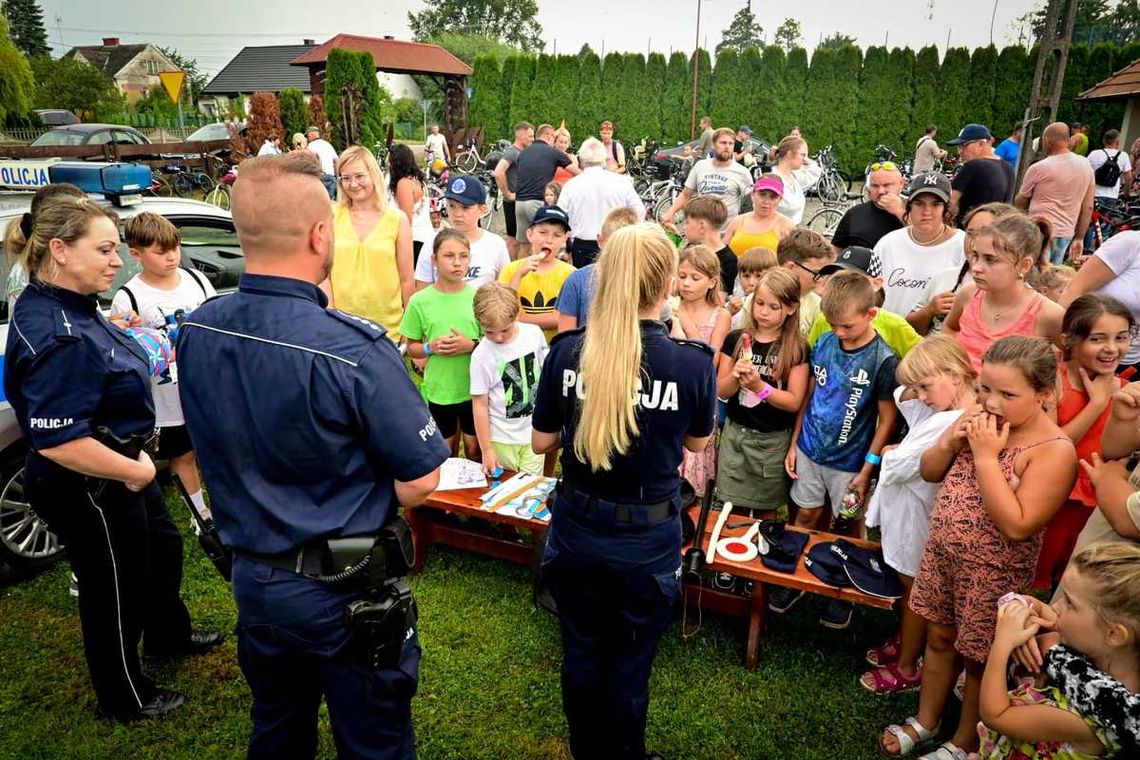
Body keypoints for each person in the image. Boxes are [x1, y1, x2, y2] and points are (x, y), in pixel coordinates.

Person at [177, 153, 447, 757]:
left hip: (254, 577)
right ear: (320, 233)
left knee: (277, 726)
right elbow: (424, 475)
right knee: (372, 741)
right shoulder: (354, 347)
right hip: (343, 588)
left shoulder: (199, 328)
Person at [5, 195, 222, 720]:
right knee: (113, 587)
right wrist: (136, 470)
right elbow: (59, 439)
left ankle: (168, 635)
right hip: (92, 481)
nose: (114, 261)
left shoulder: (75, 303)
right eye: (103, 250)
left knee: (163, 552)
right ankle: (124, 695)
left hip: (122, 467)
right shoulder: (58, 334)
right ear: (58, 249)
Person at [531, 222, 717, 760]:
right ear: (666, 286)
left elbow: (543, 437)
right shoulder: (689, 361)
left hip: (578, 526)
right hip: (645, 536)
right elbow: (698, 441)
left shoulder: (567, 352)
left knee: (582, 653)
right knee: (630, 663)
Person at [881, 336, 1076, 759]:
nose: (992, 402)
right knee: (938, 636)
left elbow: (1018, 525)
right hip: (943, 554)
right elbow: (930, 471)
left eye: (1008, 394)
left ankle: (965, 741)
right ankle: (927, 720)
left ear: (1043, 394)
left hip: (993, 571)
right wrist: (950, 443)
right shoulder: (975, 417)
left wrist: (986, 458)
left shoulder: (1053, 451)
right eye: (986, 388)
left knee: (978, 659)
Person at [776, 270, 900, 629]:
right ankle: (794, 576)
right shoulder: (826, 343)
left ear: (870, 314)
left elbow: (887, 420)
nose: (839, 332)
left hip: (850, 463)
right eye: (833, 325)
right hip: (811, 451)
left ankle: (843, 586)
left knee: (848, 524)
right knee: (805, 517)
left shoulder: (883, 360)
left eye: (847, 326)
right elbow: (811, 394)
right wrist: (795, 441)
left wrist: (867, 469)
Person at [861, 336, 978, 698]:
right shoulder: (943, 410)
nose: (921, 396)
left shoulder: (955, 421)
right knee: (907, 584)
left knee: (916, 592)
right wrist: (918, 382)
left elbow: (902, 465)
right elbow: (902, 398)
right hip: (911, 514)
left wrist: (894, 453)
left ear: (956, 376)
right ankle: (905, 640)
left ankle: (907, 666)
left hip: (922, 520)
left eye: (926, 387)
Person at [975, 543, 1139, 758]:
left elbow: (995, 715)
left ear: (1114, 634)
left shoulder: (1089, 715)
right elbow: (1038, 608)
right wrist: (1016, 602)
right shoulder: (1102, 652)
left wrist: (1002, 644)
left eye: (1070, 603)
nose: (1057, 606)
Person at [110, 212, 216, 529]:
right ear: (136, 253)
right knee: (179, 452)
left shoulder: (197, 280)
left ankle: (207, 508)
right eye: (160, 251)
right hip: (164, 395)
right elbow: (124, 354)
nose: (171, 257)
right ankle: (198, 514)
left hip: (202, 386)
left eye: (175, 248)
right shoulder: (128, 297)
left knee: (199, 450)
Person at [1034, 294, 1132, 591]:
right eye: (1098, 339)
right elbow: (1050, 445)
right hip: (1054, 501)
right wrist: (1098, 402)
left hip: (1100, 504)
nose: (1111, 349)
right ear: (1069, 341)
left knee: (1078, 580)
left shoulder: (1128, 391)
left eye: (1122, 337)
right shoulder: (1052, 383)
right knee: (1036, 579)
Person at [715, 267, 809, 519]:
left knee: (766, 509)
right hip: (736, 436)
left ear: (790, 308)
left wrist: (760, 387)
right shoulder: (736, 339)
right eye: (759, 303)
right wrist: (735, 375)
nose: (764, 312)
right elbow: (721, 391)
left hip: (771, 442)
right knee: (732, 509)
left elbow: (794, 401)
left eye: (773, 306)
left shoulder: (796, 348)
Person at [944, 214, 1065, 371]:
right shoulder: (968, 294)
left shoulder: (1048, 314)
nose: (976, 267)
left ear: (1024, 265)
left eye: (990, 260)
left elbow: (1075, 359)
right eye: (976, 256)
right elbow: (950, 327)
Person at [402, 229, 483, 460]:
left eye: (463, 256)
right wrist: (431, 348)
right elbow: (412, 346)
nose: (457, 263)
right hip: (440, 390)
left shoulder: (477, 297)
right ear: (434, 260)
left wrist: (472, 345)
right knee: (444, 453)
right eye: (449, 256)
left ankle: (475, 495)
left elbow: (492, 343)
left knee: (474, 449)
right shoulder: (420, 301)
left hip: (474, 389)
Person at [328, 145, 414, 342]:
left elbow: (407, 279)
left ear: (373, 174)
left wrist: (409, 329)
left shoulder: (397, 220)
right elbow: (324, 274)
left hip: (387, 328)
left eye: (359, 176)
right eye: (346, 178)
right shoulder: (331, 215)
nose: (353, 184)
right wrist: (330, 315)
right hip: (342, 326)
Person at [470, 281, 549, 477]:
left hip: (533, 432)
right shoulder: (481, 356)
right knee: (503, 492)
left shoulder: (533, 334)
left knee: (531, 490)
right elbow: (479, 404)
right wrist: (486, 449)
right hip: (501, 438)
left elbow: (545, 373)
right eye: (489, 332)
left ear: (517, 315)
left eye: (505, 330)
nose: (497, 338)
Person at [910, 202, 1019, 336]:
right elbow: (909, 330)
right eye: (970, 233)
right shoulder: (946, 277)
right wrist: (929, 310)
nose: (973, 242)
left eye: (985, 234)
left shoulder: (1022, 297)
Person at [672, 245, 730, 497]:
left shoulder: (721, 315)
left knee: (694, 453)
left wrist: (684, 321)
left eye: (695, 278)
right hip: (670, 390)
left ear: (711, 281)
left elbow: (710, 358)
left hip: (698, 394)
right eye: (681, 276)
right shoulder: (667, 305)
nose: (686, 283)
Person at [873, 172, 966, 321]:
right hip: (888, 337)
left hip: (934, 340)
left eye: (936, 204)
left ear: (946, 208)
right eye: (919, 203)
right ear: (909, 206)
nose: (927, 211)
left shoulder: (962, 245)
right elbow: (871, 293)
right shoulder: (887, 244)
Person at [805, 246, 923, 359]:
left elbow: (924, 360)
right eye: (836, 277)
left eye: (852, 280)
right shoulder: (824, 319)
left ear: (876, 283)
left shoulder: (894, 324)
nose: (842, 285)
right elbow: (809, 358)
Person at [1015, 122, 1096, 264]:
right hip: (1066, 232)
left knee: (1033, 275)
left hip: (1039, 231)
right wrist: (1079, 237)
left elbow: (1022, 200)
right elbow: (1088, 207)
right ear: (1068, 140)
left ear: (1047, 141)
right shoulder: (1086, 166)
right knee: (1052, 277)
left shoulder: (1039, 168)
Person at [557, 137, 645, 268]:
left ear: (581, 160)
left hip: (583, 244)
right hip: (616, 240)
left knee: (584, 284)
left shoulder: (571, 185)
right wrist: (628, 232)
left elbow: (560, 218)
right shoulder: (621, 182)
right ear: (604, 160)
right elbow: (639, 211)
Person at [1060, 232, 1140, 374]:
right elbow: (1072, 293)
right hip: (1086, 354)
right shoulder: (1131, 244)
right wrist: (1065, 348)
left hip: (1131, 361)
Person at [414, 174, 509, 290]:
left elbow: (504, 290)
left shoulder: (495, 245)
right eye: (452, 206)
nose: (457, 214)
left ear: (482, 209)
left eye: (465, 207)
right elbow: (422, 292)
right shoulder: (432, 243)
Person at [555, 207, 640, 332]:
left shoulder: (645, 279)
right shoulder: (577, 281)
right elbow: (565, 336)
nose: (620, 253)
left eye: (627, 247)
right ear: (600, 241)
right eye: (614, 246)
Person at [499, 204, 575, 341]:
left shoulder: (571, 274)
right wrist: (518, 276)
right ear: (529, 234)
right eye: (542, 232)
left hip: (555, 348)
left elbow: (566, 318)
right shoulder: (511, 270)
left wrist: (519, 319)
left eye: (557, 235)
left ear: (565, 239)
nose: (549, 240)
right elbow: (502, 312)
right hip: (519, 347)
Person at [659, 128, 753, 228]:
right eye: (723, 143)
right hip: (702, 231)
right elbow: (686, 194)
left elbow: (750, 203)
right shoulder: (701, 166)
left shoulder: (742, 172)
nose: (727, 147)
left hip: (727, 234)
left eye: (731, 143)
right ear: (713, 144)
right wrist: (671, 212)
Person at [513, 124, 579, 257]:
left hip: (519, 203)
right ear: (548, 135)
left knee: (524, 245)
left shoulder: (523, 152)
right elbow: (577, 172)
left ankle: (521, 275)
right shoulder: (553, 153)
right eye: (553, 137)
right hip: (537, 202)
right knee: (547, 242)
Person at [948, 123, 1016, 227]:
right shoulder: (1009, 168)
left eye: (963, 145)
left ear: (981, 144)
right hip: (997, 231)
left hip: (970, 231)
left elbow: (952, 201)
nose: (960, 151)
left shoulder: (972, 166)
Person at [830, 163, 906, 253]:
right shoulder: (854, 213)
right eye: (875, 186)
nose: (881, 191)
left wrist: (900, 212)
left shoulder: (915, 211)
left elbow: (924, 241)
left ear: (902, 183)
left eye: (887, 185)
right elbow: (835, 250)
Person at [774, 225, 835, 337]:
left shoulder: (817, 306)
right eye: (817, 274)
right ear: (790, 268)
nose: (820, 281)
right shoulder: (758, 299)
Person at [722, 174, 796, 259]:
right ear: (752, 195)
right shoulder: (737, 221)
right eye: (762, 194)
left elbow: (792, 263)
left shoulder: (786, 226)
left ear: (780, 199)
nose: (766, 201)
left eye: (773, 197)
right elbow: (723, 254)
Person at [493, 121, 536, 260]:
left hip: (523, 199)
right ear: (520, 135)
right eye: (530, 136)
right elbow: (498, 172)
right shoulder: (512, 152)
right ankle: (510, 269)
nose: (532, 139)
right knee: (514, 240)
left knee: (524, 240)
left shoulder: (526, 152)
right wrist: (508, 194)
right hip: (513, 202)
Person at [388, 143, 433, 265]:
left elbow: (406, 219)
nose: (388, 164)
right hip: (423, 237)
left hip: (413, 240)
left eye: (390, 160)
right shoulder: (417, 180)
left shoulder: (404, 184)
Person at [682, 195, 736, 295]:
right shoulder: (689, 249)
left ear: (701, 226)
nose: (684, 227)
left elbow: (721, 297)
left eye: (687, 222)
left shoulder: (728, 260)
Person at [728, 246, 778, 329]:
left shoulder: (776, 306)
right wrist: (728, 314)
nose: (751, 283)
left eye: (758, 276)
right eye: (746, 276)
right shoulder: (735, 305)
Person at [771, 135, 813, 223]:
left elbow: (815, 172)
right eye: (802, 155)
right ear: (790, 154)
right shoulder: (773, 180)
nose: (805, 159)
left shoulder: (792, 177)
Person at [1088, 129, 1134, 209]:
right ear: (1117, 142)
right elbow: (1129, 178)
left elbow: (1085, 173)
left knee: (1092, 220)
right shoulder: (1123, 155)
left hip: (1094, 194)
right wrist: (1126, 194)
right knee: (1108, 220)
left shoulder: (1094, 154)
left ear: (1103, 141)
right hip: (1112, 196)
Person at [305, 126, 338, 199]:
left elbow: (310, 162)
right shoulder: (327, 144)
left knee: (319, 202)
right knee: (330, 203)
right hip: (331, 176)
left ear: (311, 134)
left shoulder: (311, 146)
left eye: (307, 136)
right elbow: (336, 161)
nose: (307, 138)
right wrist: (337, 177)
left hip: (319, 177)